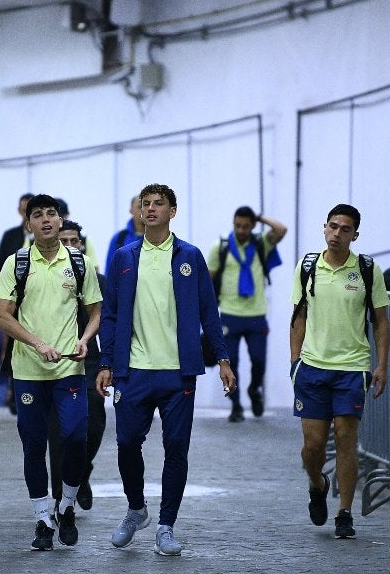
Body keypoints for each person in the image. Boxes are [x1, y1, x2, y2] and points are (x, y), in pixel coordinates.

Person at [96, 183, 236, 556]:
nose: (152, 209)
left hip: (178, 373)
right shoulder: (124, 257)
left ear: (172, 211)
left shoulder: (189, 255)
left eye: (159, 204)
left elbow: (208, 311)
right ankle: (136, 508)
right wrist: (106, 362)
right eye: (146, 204)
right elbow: (109, 314)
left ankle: (165, 525)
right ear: (139, 212)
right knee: (127, 443)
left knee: (176, 448)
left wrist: (223, 359)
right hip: (133, 371)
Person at [0, 194, 103, 551]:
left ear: (60, 220)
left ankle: (66, 505)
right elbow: (2, 315)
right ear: (28, 225)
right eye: (37, 215)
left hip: (70, 368)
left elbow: (96, 311)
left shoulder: (80, 263)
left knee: (75, 437)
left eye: (51, 214)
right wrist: (38, 344)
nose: (45, 220)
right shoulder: (17, 263)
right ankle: (42, 519)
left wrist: (86, 338)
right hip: (28, 371)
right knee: (34, 446)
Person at [289, 203, 390, 539]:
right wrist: (294, 363)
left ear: (355, 234)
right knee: (313, 446)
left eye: (345, 229)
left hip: (352, 367)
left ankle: (344, 513)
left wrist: (382, 364)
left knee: (347, 437)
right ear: (324, 228)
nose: (337, 234)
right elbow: (298, 317)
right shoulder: (307, 267)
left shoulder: (366, 269)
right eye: (332, 227)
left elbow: (381, 320)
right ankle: (317, 484)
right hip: (313, 367)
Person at [47, 220, 107, 513]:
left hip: (91, 360)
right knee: (59, 431)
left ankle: (82, 471)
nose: (70, 246)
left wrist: (112, 362)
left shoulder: (99, 280)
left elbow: (111, 322)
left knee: (94, 423)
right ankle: (61, 498)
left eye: (75, 241)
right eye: (64, 241)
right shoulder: (44, 278)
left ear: (82, 245)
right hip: (53, 360)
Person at [207, 206, 286, 422]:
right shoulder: (221, 246)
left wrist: (259, 217)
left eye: (245, 226)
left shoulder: (261, 243)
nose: (241, 230)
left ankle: (254, 390)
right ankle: (236, 405)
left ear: (252, 226)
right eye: (237, 225)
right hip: (230, 313)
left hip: (256, 313)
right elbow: (209, 279)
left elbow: (281, 229)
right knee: (230, 363)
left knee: (258, 360)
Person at [0, 193, 35, 296]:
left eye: (31, 211)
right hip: (12, 296)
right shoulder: (10, 236)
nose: (28, 215)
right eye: (25, 211)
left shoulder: (45, 235)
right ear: (19, 211)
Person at [104, 195, 145, 276]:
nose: (143, 210)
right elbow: (110, 270)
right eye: (139, 207)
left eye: (146, 206)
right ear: (131, 210)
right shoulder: (119, 238)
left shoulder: (157, 238)